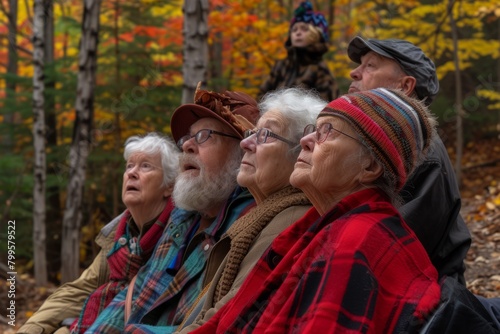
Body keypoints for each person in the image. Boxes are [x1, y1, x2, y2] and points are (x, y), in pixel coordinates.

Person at [190, 88, 442, 333]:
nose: (304, 141)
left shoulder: (356, 240)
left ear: (370, 166)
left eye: (327, 132)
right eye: (313, 130)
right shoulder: (317, 227)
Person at [85, 84, 259, 333]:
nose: (187, 146)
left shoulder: (249, 225)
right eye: (188, 138)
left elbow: (222, 324)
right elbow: (135, 297)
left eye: (205, 135)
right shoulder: (182, 215)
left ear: (241, 152)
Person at [177, 88, 327, 332]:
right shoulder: (263, 217)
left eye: (265, 135)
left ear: (300, 154)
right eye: (252, 133)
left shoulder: (293, 224)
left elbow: (225, 320)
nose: (245, 143)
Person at [17, 133, 180, 334]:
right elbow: (80, 290)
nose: (132, 173)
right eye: (129, 166)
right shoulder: (120, 235)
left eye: (145, 166)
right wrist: (29, 330)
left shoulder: (180, 231)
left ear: (169, 186)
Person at [346, 36, 472, 284]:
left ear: (404, 86)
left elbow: (384, 247)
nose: (354, 73)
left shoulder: (418, 150)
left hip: (424, 305)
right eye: (360, 65)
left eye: (370, 65)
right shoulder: (375, 142)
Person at [256, 0, 337, 102]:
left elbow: (325, 108)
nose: (298, 33)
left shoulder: (320, 70)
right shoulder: (280, 66)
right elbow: (261, 96)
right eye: (294, 30)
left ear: (316, 35)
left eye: (304, 29)